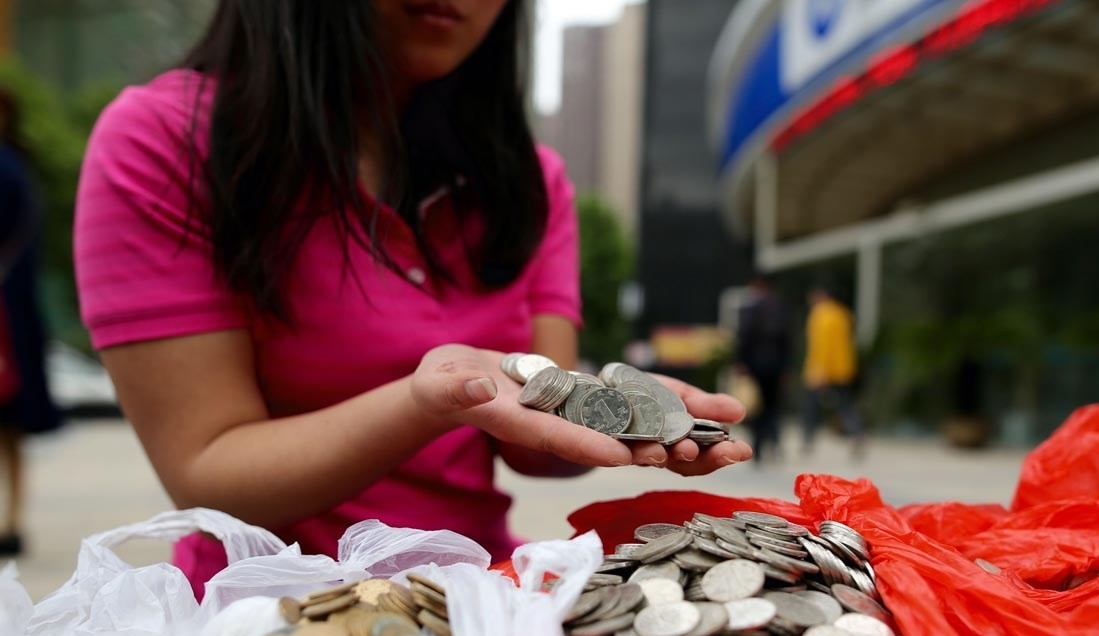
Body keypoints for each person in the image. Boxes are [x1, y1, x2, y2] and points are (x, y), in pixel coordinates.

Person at [74, 0, 751, 598]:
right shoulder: (160, 141)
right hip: (257, 619)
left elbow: (539, 435)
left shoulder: (527, 180)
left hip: (478, 598)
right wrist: (426, 400)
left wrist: (619, 416)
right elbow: (205, 469)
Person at [0, 87, 64, 557]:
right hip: (11, 315)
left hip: (7, 321)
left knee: (10, 428)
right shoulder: (18, 169)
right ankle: (12, 520)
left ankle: (13, 521)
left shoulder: (10, 168)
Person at [736, 276, 792, 463]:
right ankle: (774, 442)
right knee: (773, 406)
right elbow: (787, 341)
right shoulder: (781, 309)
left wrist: (741, 363)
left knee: (757, 407)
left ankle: (758, 447)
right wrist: (786, 367)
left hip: (756, 366)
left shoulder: (751, 310)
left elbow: (744, 338)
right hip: (776, 366)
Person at [802, 287, 864, 455]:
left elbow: (821, 345)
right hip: (843, 368)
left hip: (822, 369)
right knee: (845, 405)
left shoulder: (820, 315)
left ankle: (808, 441)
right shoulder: (842, 313)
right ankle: (857, 434)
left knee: (811, 408)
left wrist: (819, 371)